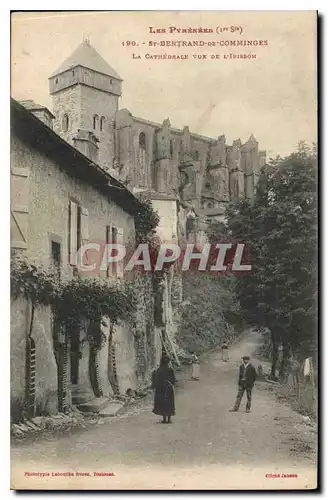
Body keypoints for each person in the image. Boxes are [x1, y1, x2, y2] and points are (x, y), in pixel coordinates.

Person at [152, 354, 176, 423]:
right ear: (168, 362)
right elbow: (173, 380)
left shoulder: (159, 370)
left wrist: (156, 386)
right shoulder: (170, 369)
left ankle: (164, 419)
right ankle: (169, 419)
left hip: (161, 389)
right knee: (169, 403)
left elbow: (156, 380)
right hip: (168, 388)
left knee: (163, 403)